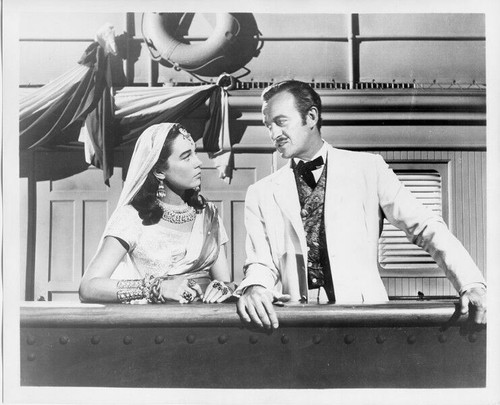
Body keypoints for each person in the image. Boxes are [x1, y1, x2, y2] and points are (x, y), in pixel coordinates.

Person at [235, 80, 487, 329]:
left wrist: (471, 283)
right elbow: (261, 262)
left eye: (280, 122)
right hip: (297, 327)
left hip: (366, 322)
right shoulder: (260, 193)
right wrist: (255, 287)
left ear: (311, 117)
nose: (273, 134)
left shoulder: (368, 169)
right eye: (268, 126)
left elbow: (426, 226)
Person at [79, 122, 234, 304]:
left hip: (208, 316)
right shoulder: (132, 217)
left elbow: (225, 283)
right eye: (186, 157)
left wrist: (225, 288)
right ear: (159, 171)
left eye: (195, 153)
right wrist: (156, 287)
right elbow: (88, 287)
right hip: (156, 319)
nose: (198, 162)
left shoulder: (208, 214)